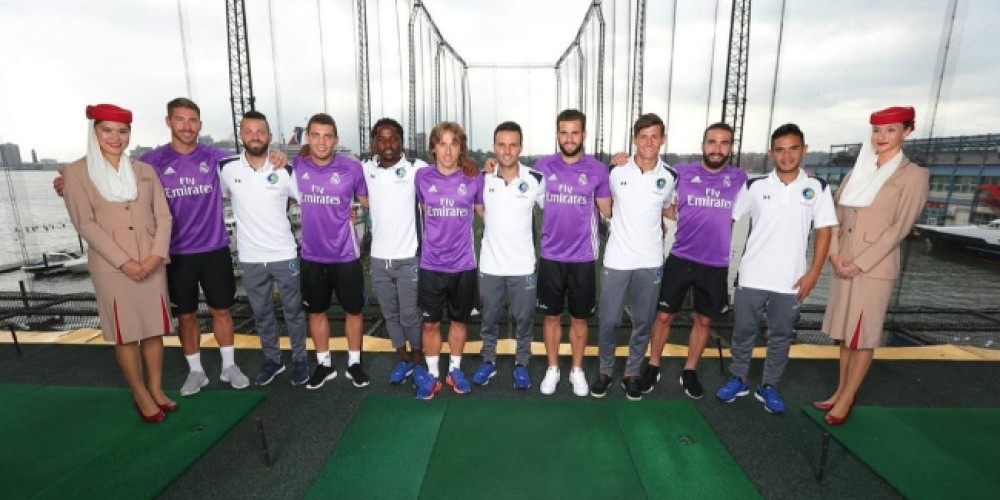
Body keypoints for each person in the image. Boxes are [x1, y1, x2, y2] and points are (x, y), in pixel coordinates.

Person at [54, 98, 266, 396]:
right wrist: (66, 184)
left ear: (200, 125)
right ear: (168, 122)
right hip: (175, 253)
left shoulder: (217, 157)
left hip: (214, 248)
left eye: (192, 120)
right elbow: (101, 178)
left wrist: (279, 156)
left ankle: (229, 366)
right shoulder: (150, 162)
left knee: (222, 311)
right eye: (180, 119)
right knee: (186, 316)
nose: (187, 126)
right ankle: (196, 371)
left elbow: (255, 158)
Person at [814, 106, 929, 425]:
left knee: (862, 335)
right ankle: (841, 390)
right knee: (844, 333)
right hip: (843, 263)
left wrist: (859, 263)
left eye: (891, 130)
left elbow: (899, 229)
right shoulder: (858, 172)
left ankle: (849, 397)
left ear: (907, 132)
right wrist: (835, 254)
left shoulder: (914, 176)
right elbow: (834, 215)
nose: (882, 137)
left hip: (873, 270)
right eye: (878, 130)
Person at [62, 104, 174, 422]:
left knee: (154, 330)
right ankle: (140, 395)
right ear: (94, 132)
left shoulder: (144, 171)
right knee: (126, 333)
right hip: (113, 268)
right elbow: (85, 224)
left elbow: (164, 216)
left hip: (152, 261)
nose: (115, 137)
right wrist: (125, 262)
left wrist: (155, 256)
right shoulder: (76, 172)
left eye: (122, 131)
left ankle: (156, 388)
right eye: (107, 130)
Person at [716, 123, 837, 414]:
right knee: (744, 332)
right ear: (771, 153)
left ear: (803, 149)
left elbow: (824, 233)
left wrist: (813, 275)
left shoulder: (817, 188)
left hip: (791, 281)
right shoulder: (754, 186)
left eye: (793, 148)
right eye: (780, 150)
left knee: (781, 336)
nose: (786, 156)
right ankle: (738, 378)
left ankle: (769, 385)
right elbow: (729, 220)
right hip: (752, 276)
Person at [634, 123, 748, 399]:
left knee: (704, 321)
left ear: (730, 147)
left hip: (715, 264)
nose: (717, 148)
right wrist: (622, 159)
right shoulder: (681, 173)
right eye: (712, 142)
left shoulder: (742, 179)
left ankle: (690, 370)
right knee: (663, 316)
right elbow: (655, 190)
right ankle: (653, 365)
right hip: (681, 257)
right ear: (703, 145)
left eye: (724, 143)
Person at [218, 111, 310, 386]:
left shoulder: (286, 169)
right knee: (262, 313)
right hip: (250, 258)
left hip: (284, 254)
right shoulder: (226, 169)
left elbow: (311, 202)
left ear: (269, 136)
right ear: (241, 135)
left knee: (293, 311)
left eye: (261, 132)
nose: (255, 136)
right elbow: (215, 200)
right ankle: (273, 360)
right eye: (249, 131)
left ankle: (300, 360)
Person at [591, 113, 677, 401]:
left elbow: (668, 208)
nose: (649, 142)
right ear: (634, 140)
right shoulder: (616, 170)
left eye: (655, 136)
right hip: (617, 259)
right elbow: (602, 199)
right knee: (609, 321)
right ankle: (604, 372)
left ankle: (631, 374)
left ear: (663, 139)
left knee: (642, 322)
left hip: (650, 262)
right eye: (643, 137)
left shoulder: (670, 177)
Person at [534, 109, 612, 397]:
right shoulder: (542, 167)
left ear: (584, 135)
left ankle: (576, 370)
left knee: (580, 319)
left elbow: (608, 210)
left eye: (575, 132)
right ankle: (553, 368)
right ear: (557, 134)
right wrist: (488, 165)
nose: (569, 138)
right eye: (564, 132)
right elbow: (511, 176)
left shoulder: (598, 170)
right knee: (551, 317)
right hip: (551, 257)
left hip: (584, 257)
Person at [293, 113, 371, 390]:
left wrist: (357, 212)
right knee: (316, 313)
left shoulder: (352, 168)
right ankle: (324, 365)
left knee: (354, 311)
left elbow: (368, 201)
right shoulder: (296, 164)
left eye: (328, 136)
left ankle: (354, 364)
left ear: (336, 139)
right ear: (308, 138)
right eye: (315, 135)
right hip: (312, 255)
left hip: (346, 254)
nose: (322, 142)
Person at [411, 121, 485, 400]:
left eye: (454, 143)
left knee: (459, 322)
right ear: (433, 147)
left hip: (464, 265)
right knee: (430, 324)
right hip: (431, 266)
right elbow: (421, 207)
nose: (448, 150)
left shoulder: (473, 178)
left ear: (461, 148)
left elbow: (483, 212)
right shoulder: (422, 178)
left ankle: (455, 370)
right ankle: (432, 375)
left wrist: (486, 164)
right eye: (442, 143)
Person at [473, 121, 544, 390]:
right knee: (489, 318)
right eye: (502, 144)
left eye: (513, 144)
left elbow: (557, 206)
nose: (507, 150)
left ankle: (522, 362)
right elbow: (477, 205)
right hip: (491, 265)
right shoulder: (483, 178)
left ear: (520, 148)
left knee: (524, 319)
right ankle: (488, 360)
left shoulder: (536, 180)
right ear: (494, 147)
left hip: (523, 265)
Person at [361, 118, 429, 384]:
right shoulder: (365, 168)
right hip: (379, 259)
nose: (387, 144)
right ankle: (403, 360)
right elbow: (333, 166)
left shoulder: (417, 168)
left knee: (410, 314)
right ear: (374, 143)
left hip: (409, 257)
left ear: (402, 141)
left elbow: (448, 173)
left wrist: (476, 166)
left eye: (393, 139)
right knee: (389, 314)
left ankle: (418, 360)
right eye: (382, 139)